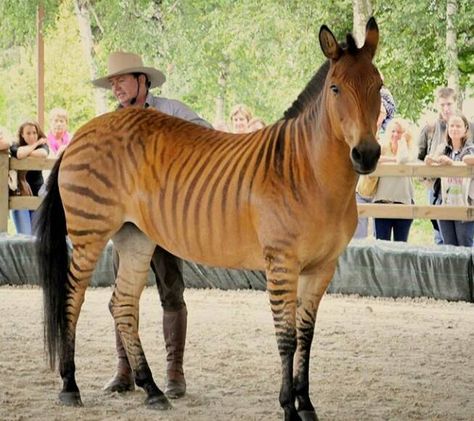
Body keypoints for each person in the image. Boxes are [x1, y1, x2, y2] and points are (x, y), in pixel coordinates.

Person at [92, 51, 211, 399]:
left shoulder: (171, 110)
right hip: (126, 222)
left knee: (171, 291)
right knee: (122, 294)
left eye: (122, 79)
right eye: (113, 82)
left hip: (166, 216)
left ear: (142, 81)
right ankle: (124, 368)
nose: (116, 86)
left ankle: (175, 370)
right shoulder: (108, 123)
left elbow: (208, 134)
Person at [417, 87, 474, 244]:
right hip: (438, 188)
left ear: (456, 103)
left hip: (466, 192)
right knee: (440, 235)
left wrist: (456, 164)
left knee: (465, 239)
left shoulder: (470, 127)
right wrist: (429, 166)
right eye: (442, 105)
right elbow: (419, 157)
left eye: (449, 104)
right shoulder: (430, 128)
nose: (446, 108)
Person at [353, 88, 396, 239]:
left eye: (382, 111)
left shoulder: (390, 131)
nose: (379, 114)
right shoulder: (361, 130)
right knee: (360, 228)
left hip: (384, 189)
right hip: (363, 186)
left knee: (381, 232)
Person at [372, 118, 417, 242]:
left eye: (399, 132)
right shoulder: (382, 147)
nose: (395, 135)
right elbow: (375, 159)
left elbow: (403, 159)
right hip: (382, 202)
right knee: (381, 244)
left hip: (403, 202)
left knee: (401, 245)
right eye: (393, 131)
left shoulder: (410, 149)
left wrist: (402, 142)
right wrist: (393, 160)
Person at [9, 120, 49, 235]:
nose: (32, 136)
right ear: (22, 134)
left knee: (37, 236)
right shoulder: (15, 145)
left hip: (38, 195)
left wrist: (27, 152)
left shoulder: (43, 146)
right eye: (28, 133)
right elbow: (19, 153)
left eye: (34, 133)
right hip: (20, 195)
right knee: (25, 235)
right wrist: (35, 145)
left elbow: (43, 154)